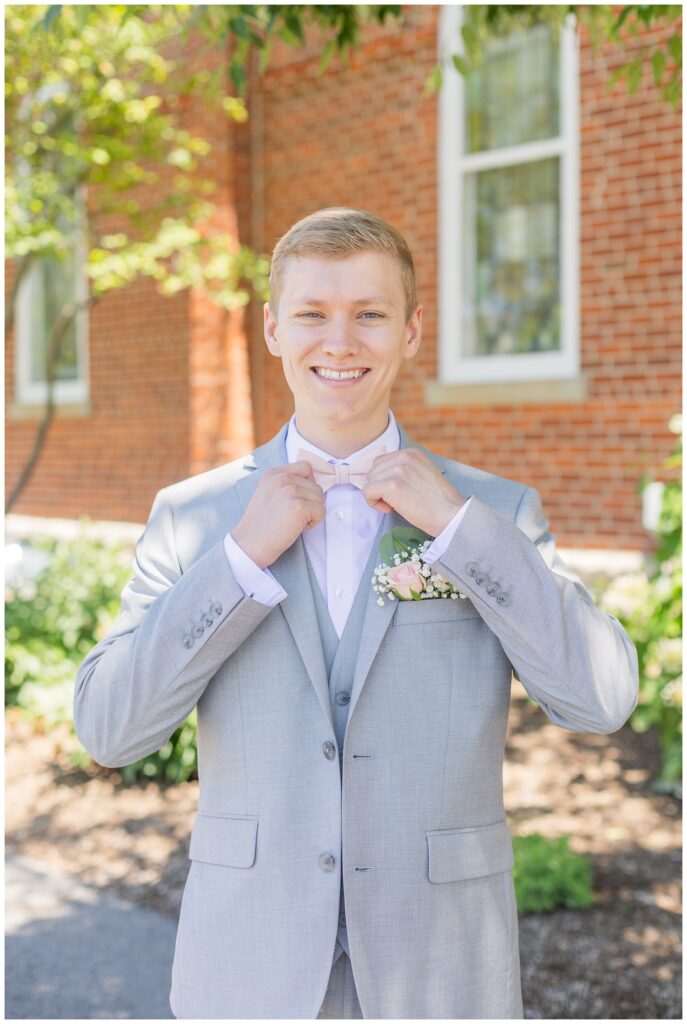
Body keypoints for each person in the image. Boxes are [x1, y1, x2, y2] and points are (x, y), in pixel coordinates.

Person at [74, 207, 639, 1020]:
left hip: (439, 970)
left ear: (411, 331)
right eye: (312, 314)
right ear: (271, 328)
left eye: (368, 315)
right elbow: (109, 728)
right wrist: (237, 560)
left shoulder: (494, 512)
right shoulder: (191, 516)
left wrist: (458, 530)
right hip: (250, 969)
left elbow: (600, 699)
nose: (339, 342)